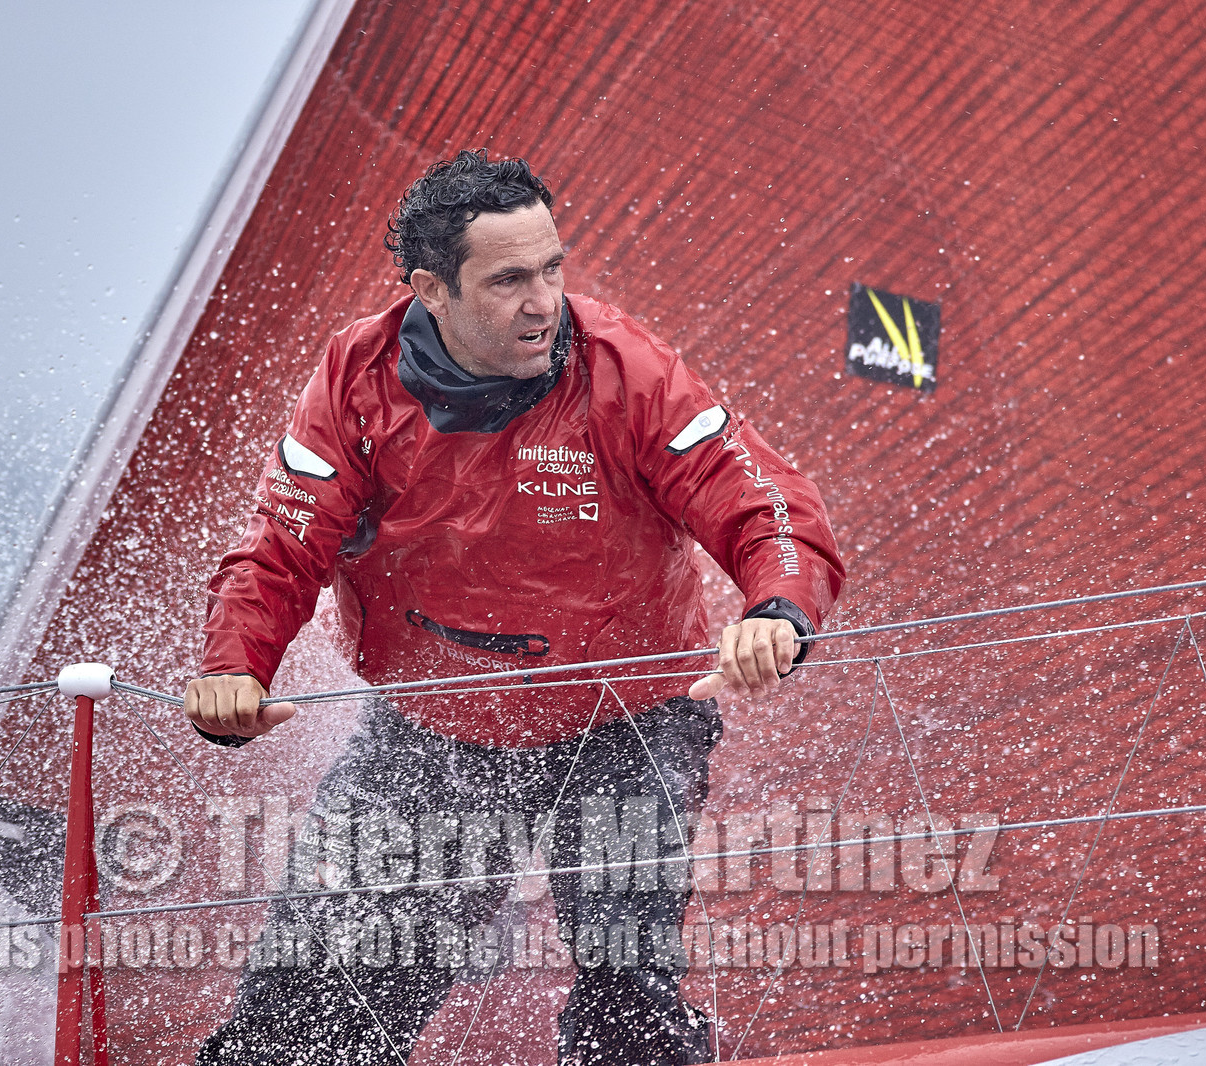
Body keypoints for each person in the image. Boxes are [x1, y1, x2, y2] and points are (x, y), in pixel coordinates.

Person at [184, 150, 844, 1066]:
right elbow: (282, 545)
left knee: (628, 1001)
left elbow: (761, 499)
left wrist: (776, 607)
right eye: (508, 279)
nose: (545, 301)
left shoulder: (627, 370)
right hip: (435, 725)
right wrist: (233, 669)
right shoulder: (357, 381)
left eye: (552, 267)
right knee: (316, 1010)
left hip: (628, 722)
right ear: (431, 291)